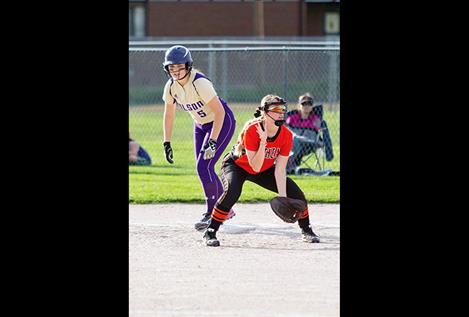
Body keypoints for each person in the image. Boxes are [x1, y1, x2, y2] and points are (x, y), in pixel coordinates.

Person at [202, 94, 320, 247]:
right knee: (232, 191)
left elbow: (279, 170)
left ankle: (307, 230)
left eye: (282, 109)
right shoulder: (252, 129)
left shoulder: (286, 135)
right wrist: (263, 141)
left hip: (264, 168)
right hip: (237, 166)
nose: (281, 113)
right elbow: (254, 166)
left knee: (296, 194)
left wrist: (283, 198)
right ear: (265, 112)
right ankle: (210, 231)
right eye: (276, 109)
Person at [161, 45, 236, 230]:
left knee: (205, 166)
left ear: (188, 65)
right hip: (201, 125)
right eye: (172, 67)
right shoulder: (171, 86)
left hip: (221, 122)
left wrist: (213, 140)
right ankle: (226, 209)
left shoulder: (199, 83)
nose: (176, 71)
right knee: (204, 168)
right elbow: (169, 114)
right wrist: (166, 142)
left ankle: (212, 213)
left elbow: (219, 112)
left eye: (179, 67)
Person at [284, 93, 322, 174]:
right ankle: (290, 166)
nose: (306, 106)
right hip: (293, 141)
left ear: (312, 106)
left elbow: (314, 132)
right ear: (299, 105)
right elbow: (286, 129)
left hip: (309, 143)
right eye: (304, 103)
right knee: (294, 139)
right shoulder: (292, 117)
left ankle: (288, 165)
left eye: (309, 104)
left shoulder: (315, 119)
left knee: (295, 140)